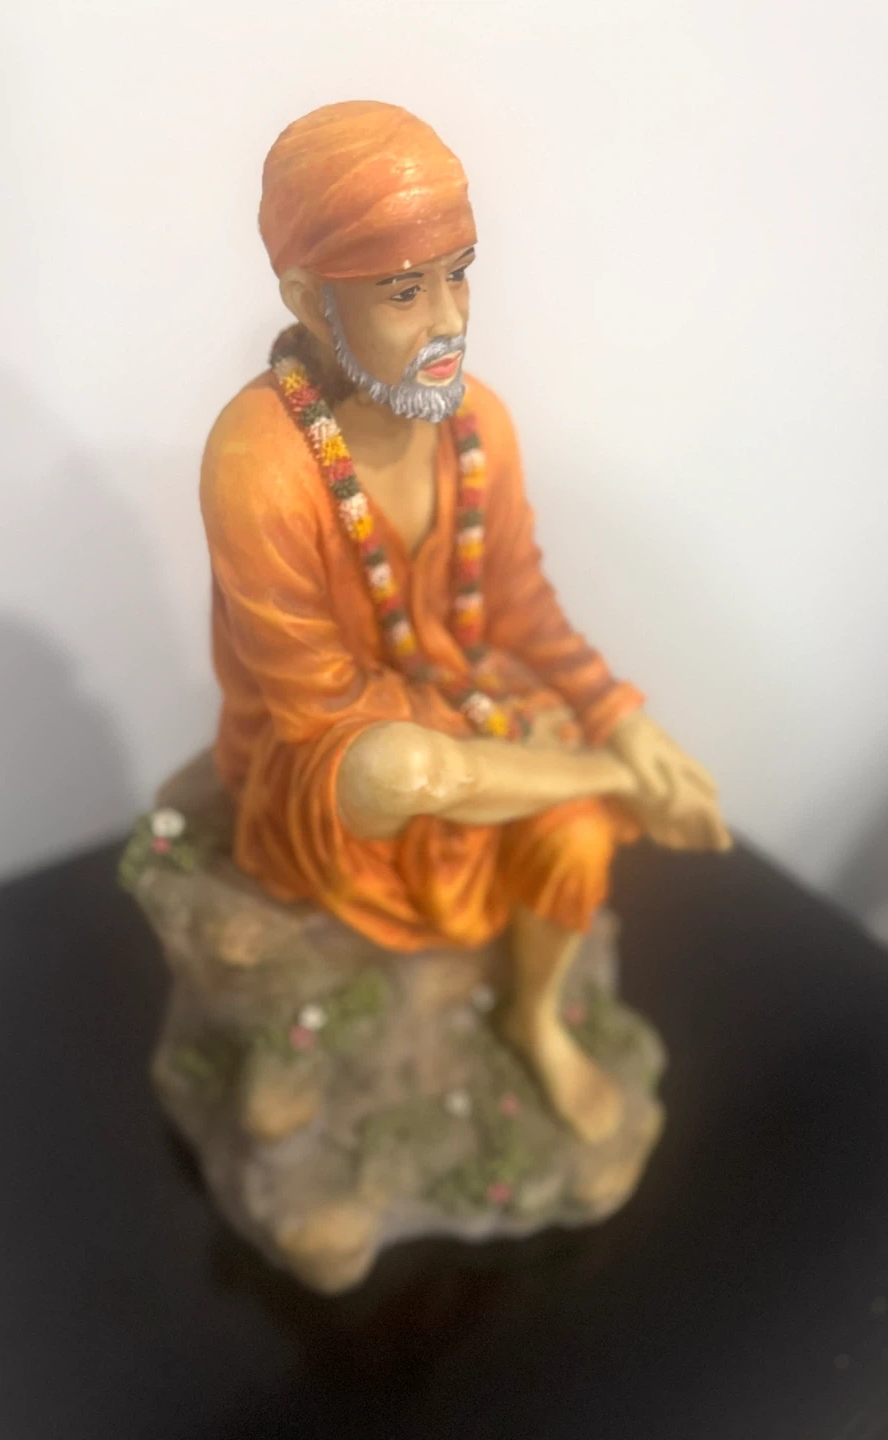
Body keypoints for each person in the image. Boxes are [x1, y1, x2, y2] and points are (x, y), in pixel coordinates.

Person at [200, 100, 730, 1143]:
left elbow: (520, 603)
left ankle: (533, 1016)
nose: (448, 319)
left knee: (577, 842)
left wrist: (621, 719)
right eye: (405, 290)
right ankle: (594, 784)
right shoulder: (257, 462)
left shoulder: (478, 423)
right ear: (310, 299)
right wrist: (610, 770)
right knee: (403, 769)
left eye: (460, 274)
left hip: (468, 703)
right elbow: (318, 712)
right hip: (333, 767)